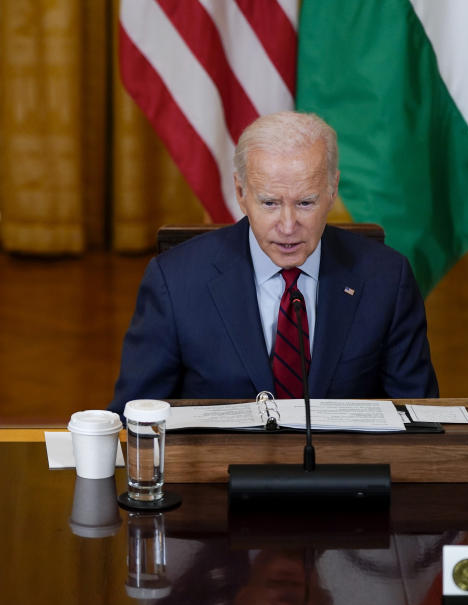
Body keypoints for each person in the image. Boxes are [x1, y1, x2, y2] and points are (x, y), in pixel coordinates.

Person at [110, 111, 437, 411]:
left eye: (306, 202)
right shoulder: (176, 282)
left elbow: (419, 420)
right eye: (269, 203)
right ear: (241, 192)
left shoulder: (386, 278)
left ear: (332, 189)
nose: (288, 225)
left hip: (344, 471)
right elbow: (135, 419)